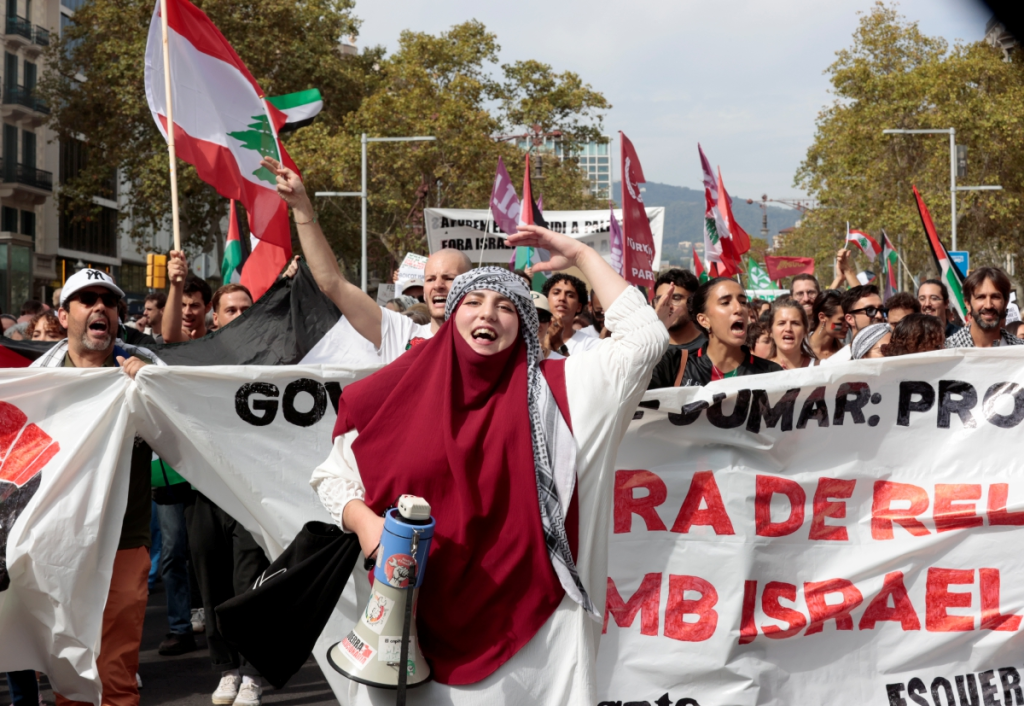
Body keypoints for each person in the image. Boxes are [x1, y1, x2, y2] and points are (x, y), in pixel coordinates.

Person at [311, 222, 669, 705]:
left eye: (507, 307)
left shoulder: (565, 393)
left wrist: (582, 254)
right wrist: (367, 525)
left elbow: (645, 339)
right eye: (473, 302)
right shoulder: (394, 391)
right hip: (406, 630)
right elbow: (334, 477)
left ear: (524, 325)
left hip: (534, 643)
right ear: (452, 313)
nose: (489, 314)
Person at [29, 269, 161, 706]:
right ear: (64, 316)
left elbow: (179, 433)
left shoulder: (143, 370)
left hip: (125, 539)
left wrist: (152, 392)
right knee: (68, 673)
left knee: (116, 673)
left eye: (108, 300)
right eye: (87, 300)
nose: (99, 306)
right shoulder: (38, 383)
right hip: (59, 544)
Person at [262, 156, 470, 365]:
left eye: (449, 278)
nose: (438, 286)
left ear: (470, 286)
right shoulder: (398, 332)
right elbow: (332, 283)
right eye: (430, 279)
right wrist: (301, 205)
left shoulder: (489, 341)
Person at [679, 277, 782, 386]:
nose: (739, 308)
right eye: (725, 302)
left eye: (743, 302)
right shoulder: (679, 368)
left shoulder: (771, 372)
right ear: (704, 320)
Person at [647, 269, 706, 389]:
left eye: (676, 298)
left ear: (693, 302)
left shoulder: (711, 347)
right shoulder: (648, 348)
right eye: (660, 299)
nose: (668, 306)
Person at [945, 266, 1023, 348]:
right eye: (981, 297)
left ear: (1005, 303)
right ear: (968, 304)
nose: (988, 305)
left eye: (995, 297)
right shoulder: (947, 350)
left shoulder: (1020, 349)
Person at [821, 284, 886, 365]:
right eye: (870, 310)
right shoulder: (834, 365)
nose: (879, 315)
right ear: (850, 319)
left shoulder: (899, 352)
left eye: (881, 309)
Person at [542, 273, 601, 355]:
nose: (562, 298)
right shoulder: (529, 339)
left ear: (579, 307)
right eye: (556, 293)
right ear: (546, 300)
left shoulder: (592, 345)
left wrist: (558, 344)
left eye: (570, 295)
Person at [163, 260, 213, 342]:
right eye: (182, 305)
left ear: (208, 307)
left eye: (194, 306)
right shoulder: (158, 344)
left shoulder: (218, 343)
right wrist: (175, 285)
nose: (187, 312)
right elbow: (169, 337)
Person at [767, 299, 817, 369]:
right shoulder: (760, 372)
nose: (788, 329)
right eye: (781, 323)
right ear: (771, 331)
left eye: (795, 323)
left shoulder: (819, 368)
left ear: (805, 331)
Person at [807, 290, 847, 361]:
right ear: (822, 317)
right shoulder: (800, 349)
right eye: (842, 319)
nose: (847, 325)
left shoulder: (844, 352)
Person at [531, 291, 567, 359]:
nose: (536, 323)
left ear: (549, 323)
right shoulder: (506, 357)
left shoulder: (560, 362)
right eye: (530, 316)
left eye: (543, 317)